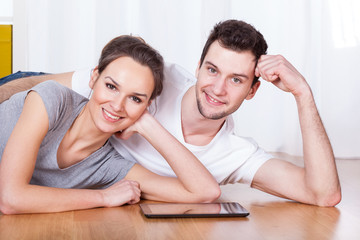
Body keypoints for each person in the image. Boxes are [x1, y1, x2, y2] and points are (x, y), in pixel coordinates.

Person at [0, 20, 341, 207]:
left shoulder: (235, 155)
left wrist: (303, 94)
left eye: (236, 79)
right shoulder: (143, 77)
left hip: (78, 166)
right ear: (198, 67)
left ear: (253, 89)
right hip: (25, 93)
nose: (217, 88)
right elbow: (52, 86)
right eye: (211, 70)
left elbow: (323, 195)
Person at [0, 35, 220, 215]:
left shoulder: (109, 167)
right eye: (111, 86)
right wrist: (104, 197)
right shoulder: (52, 100)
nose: (117, 105)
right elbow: (10, 198)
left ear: (147, 106)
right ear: (94, 78)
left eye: (135, 98)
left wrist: (148, 126)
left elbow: (205, 192)